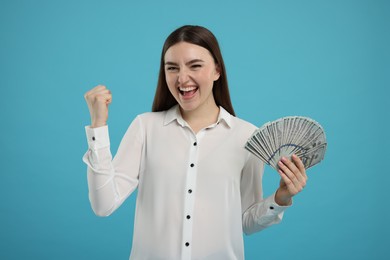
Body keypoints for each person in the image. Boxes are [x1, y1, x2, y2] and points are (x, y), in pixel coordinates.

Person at [83, 25, 307, 260]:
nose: (182, 78)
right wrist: (98, 125)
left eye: (195, 65)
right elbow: (103, 204)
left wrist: (281, 198)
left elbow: (246, 222)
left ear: (217, 70)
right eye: (172, 68)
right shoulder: (145, 127)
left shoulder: (247, 137)